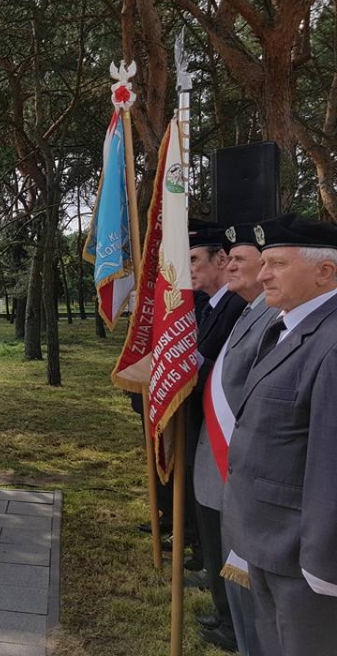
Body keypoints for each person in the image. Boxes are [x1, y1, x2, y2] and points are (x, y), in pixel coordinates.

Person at [223, 214, 337, 656]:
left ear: (325, 271)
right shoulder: (287, 325)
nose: (263, 275)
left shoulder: (331, 343)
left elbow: (330, 464)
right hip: (266, 540)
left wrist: (324, 569)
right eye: (264, 262)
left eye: (278, 264)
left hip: (303, 559)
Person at [195, 223, 276, 654]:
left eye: (239, 259)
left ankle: (238, 629)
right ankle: (232, 623)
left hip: (240, 457)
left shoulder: (268, 314)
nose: (231, 266)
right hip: (220, 448)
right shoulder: (249, 310)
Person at [186, 225, 247, 650]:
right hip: (205, 425)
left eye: (194, 259)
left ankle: (231, 616)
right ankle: (222, 602)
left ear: (219, 260)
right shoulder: (213, 304)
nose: (188, 268)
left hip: (224, 433)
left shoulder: (237, 308)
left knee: (223, 524)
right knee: (209, 518)